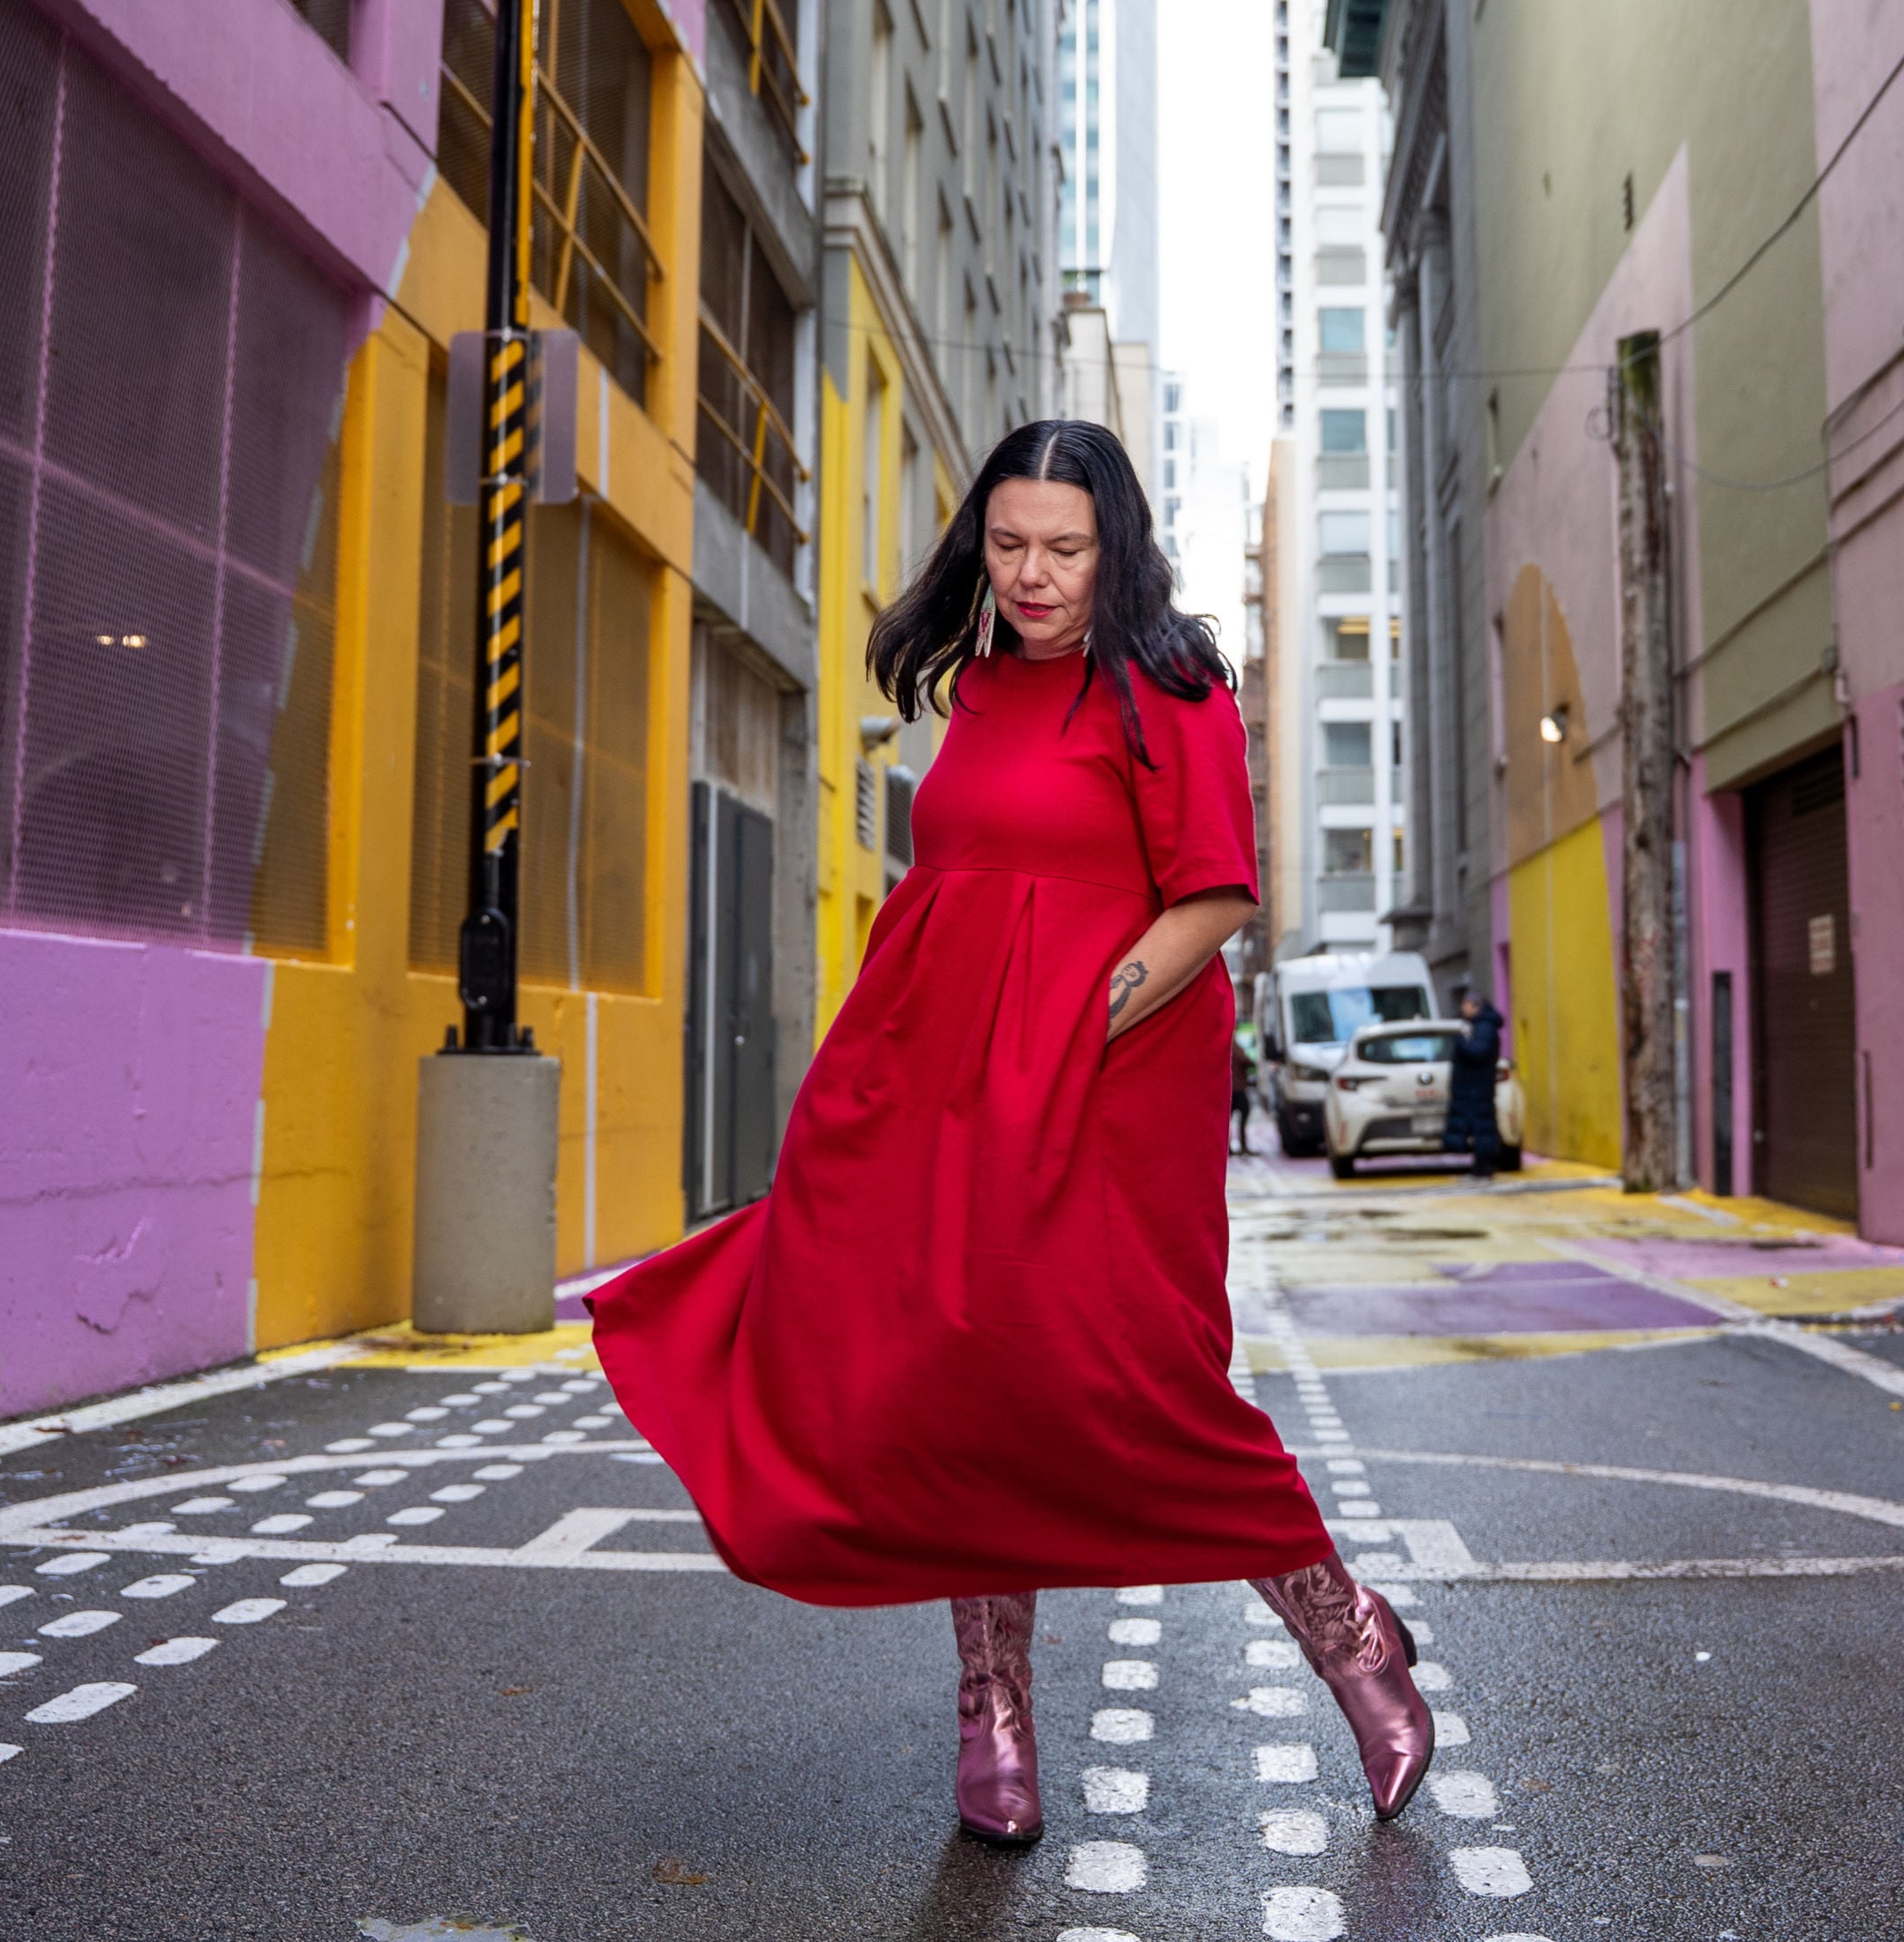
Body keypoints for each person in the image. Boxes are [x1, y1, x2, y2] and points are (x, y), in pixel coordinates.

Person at [589, 420, 1433, 1849]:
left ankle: (1352, 1641)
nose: (1033, 575)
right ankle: (993, 1709)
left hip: (1107, 1091)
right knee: (955, 1381)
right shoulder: (975, 689)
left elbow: (1217, 897)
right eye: (1008, 545)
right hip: (938, 1083)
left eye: (1064, 548)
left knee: (1147, 1384)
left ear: (1118, 548)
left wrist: (1062, 1029)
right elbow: (956, 897)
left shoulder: (1173, 690)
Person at [1444, 984, 1510, 1179]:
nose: (1463, 1008)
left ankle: (1484, 1168)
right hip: (1474, 1087)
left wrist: (1461, 1042)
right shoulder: (1479, 1026)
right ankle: (1481, 1167)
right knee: (1479, 1127)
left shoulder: (1484, 1028)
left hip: (1477, 1088)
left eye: (1466, 1004)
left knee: (1482, 1128)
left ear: (1476, 1006)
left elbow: (1478, 1052)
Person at [1230, 1030, 1258, 1156]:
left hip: (1231, 1089)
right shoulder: (1233, 1045)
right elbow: (1245, 1060)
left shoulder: (1229, 1044)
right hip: (1237, 1089)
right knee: (1243, 1115)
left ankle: (1233, 1147)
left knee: (1230, 1120)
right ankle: (1242, 1146)